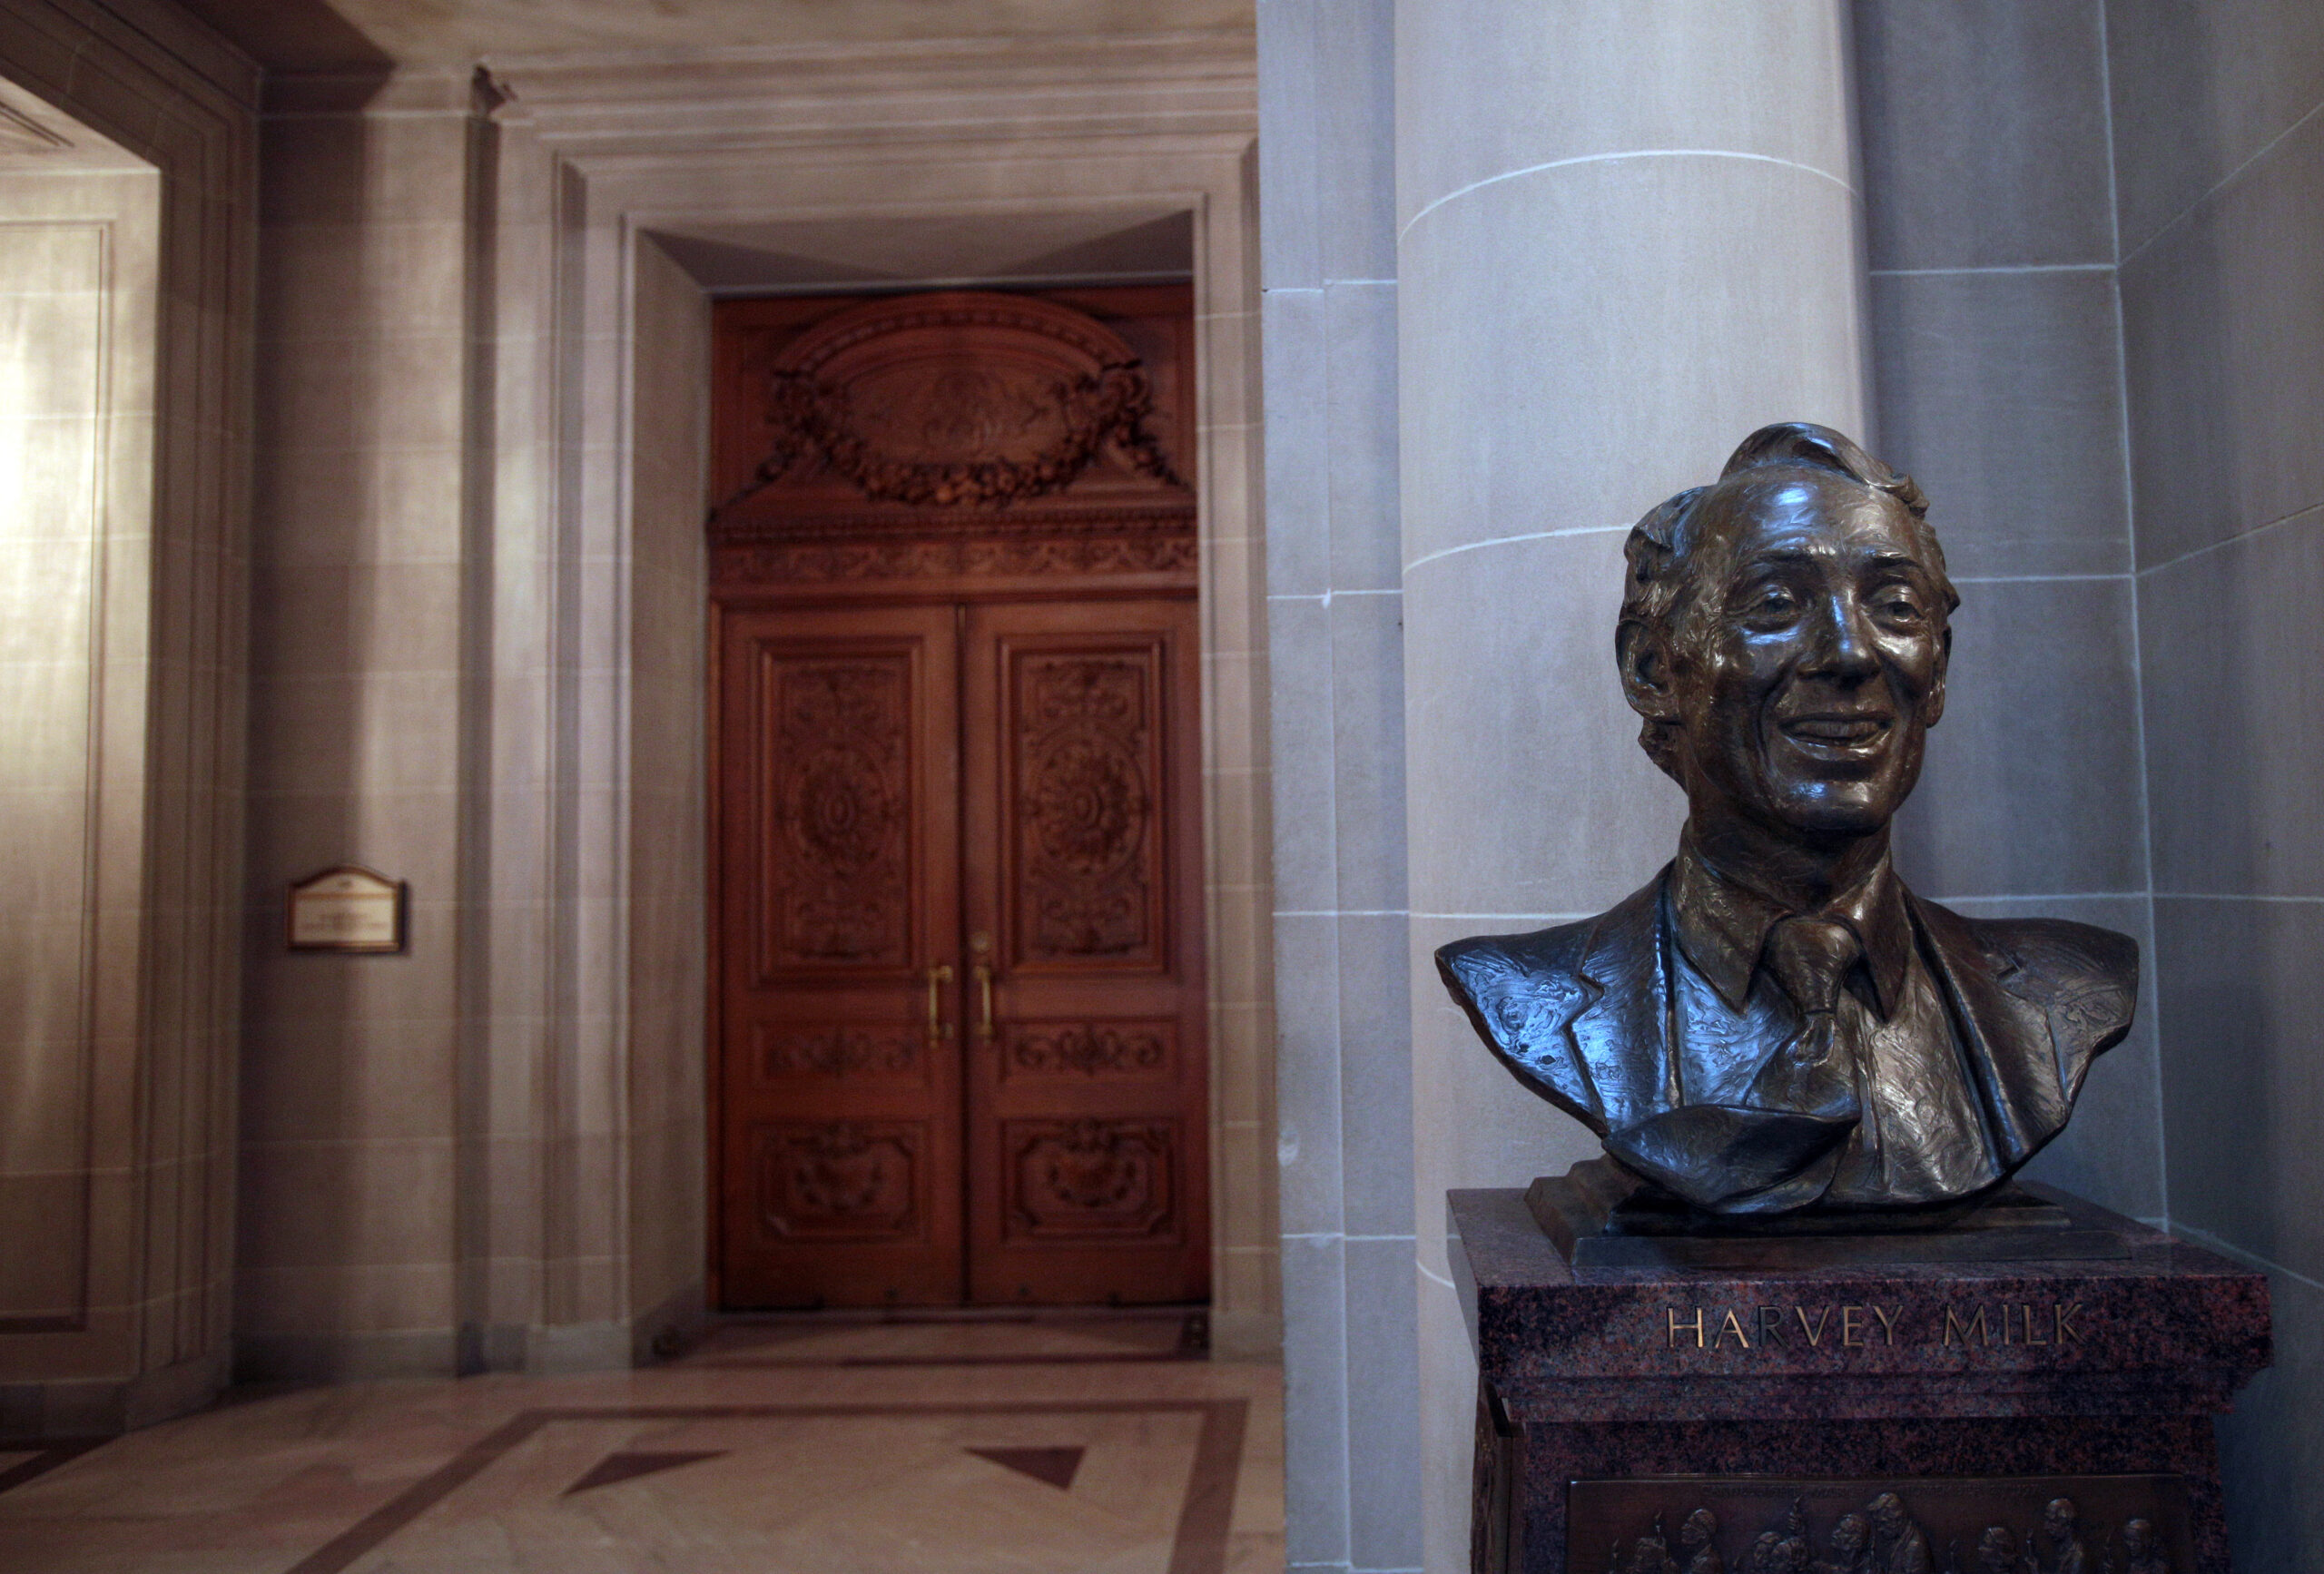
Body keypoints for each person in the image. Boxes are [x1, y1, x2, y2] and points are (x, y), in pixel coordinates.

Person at [1437, 423, 2136, 1214]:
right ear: (1652, 668)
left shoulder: (2062, 989)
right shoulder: (1533, 993)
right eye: (1776, 603)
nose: (1850, 653)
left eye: (1895, 607)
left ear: (1937, 671)